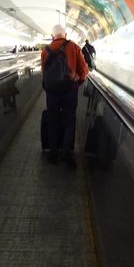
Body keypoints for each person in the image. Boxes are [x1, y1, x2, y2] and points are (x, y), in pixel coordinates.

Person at [41, 24, 89, 167]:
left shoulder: (45, 50)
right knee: (69, 122)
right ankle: (67, 154)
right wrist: (77, 83)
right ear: (65, 35)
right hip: (69, 92)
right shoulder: (73, 47)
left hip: (52, 93)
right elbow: (84, 70)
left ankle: (53, 154)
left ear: (52, 36)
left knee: (53, 121)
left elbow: (44, 72)